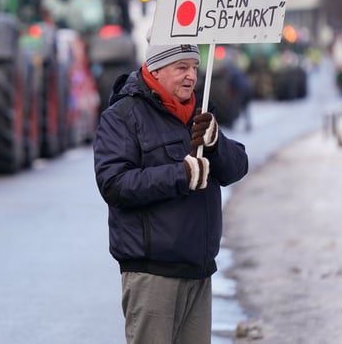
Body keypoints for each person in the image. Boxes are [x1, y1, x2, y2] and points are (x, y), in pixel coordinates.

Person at [93, 43, 249, 344]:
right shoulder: (123, 116)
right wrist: (181, 174)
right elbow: (114, 184)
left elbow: (236, 169)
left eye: (194, 67)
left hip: (198, 271)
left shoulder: (198, 112)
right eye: (181, 68)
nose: (191, 76)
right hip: (153, 275)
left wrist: (216, 142)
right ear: (155, 70)